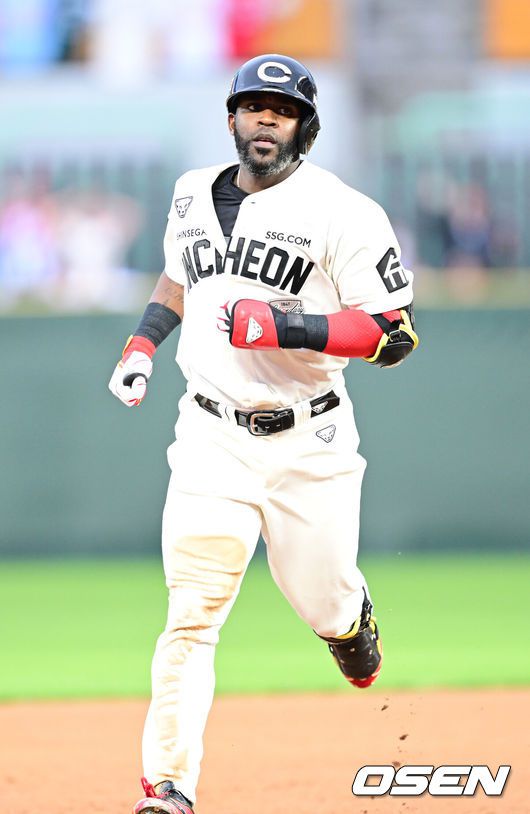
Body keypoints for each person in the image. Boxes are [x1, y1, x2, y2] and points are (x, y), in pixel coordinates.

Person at [108, 54, 419, 814]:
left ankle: (346, 621)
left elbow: (396, 332)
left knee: (322, 598)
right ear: (232, 119)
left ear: (305, 128)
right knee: (192, 615)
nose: (266, 120)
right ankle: (169, 787)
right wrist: (142, 345)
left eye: (282, 111)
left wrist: (291, 325)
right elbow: (179, 277)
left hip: (310, 441)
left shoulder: (343, 211)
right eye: (254, 107)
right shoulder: (191, 193)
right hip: (210, 435)